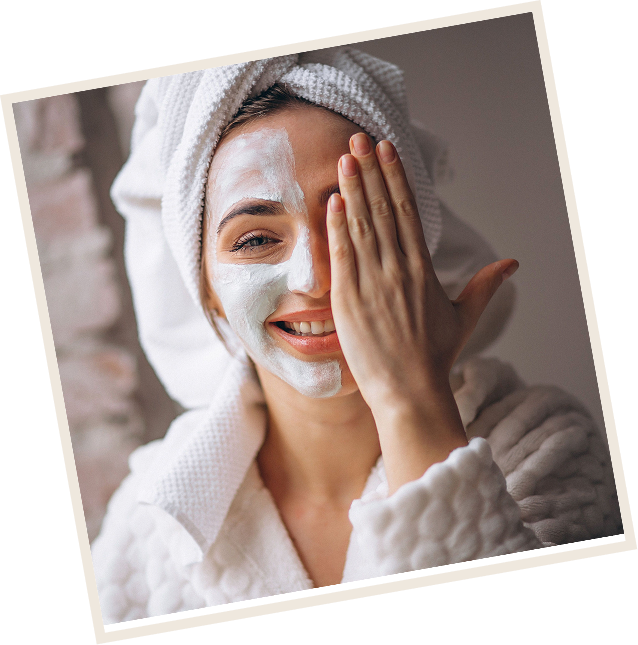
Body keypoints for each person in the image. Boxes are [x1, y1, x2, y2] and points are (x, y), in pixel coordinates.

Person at [91, 48, 621, 624]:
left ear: (417, 245)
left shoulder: (544, 445)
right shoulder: (145, 525)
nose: (315, 278)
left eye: (350, 222)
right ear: (206, 290)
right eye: (256, 239)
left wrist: (411, 398)